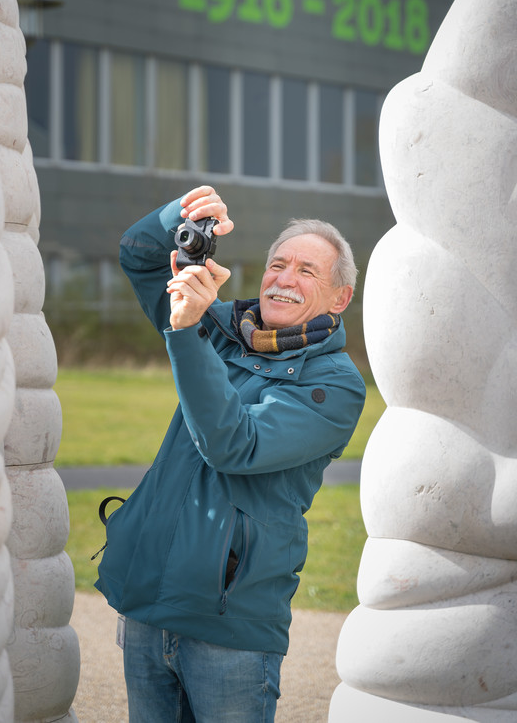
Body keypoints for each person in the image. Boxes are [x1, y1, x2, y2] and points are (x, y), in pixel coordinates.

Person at [95, 184, 366, 723]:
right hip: (148, 607)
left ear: (340, 299)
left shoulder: (335, 384)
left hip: (230, 629)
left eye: (307, 272)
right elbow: (138, 255)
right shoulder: (217, 327)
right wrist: (184, 215)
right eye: (277, 264)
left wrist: (186, 331)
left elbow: (233, 444)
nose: (284, 279)